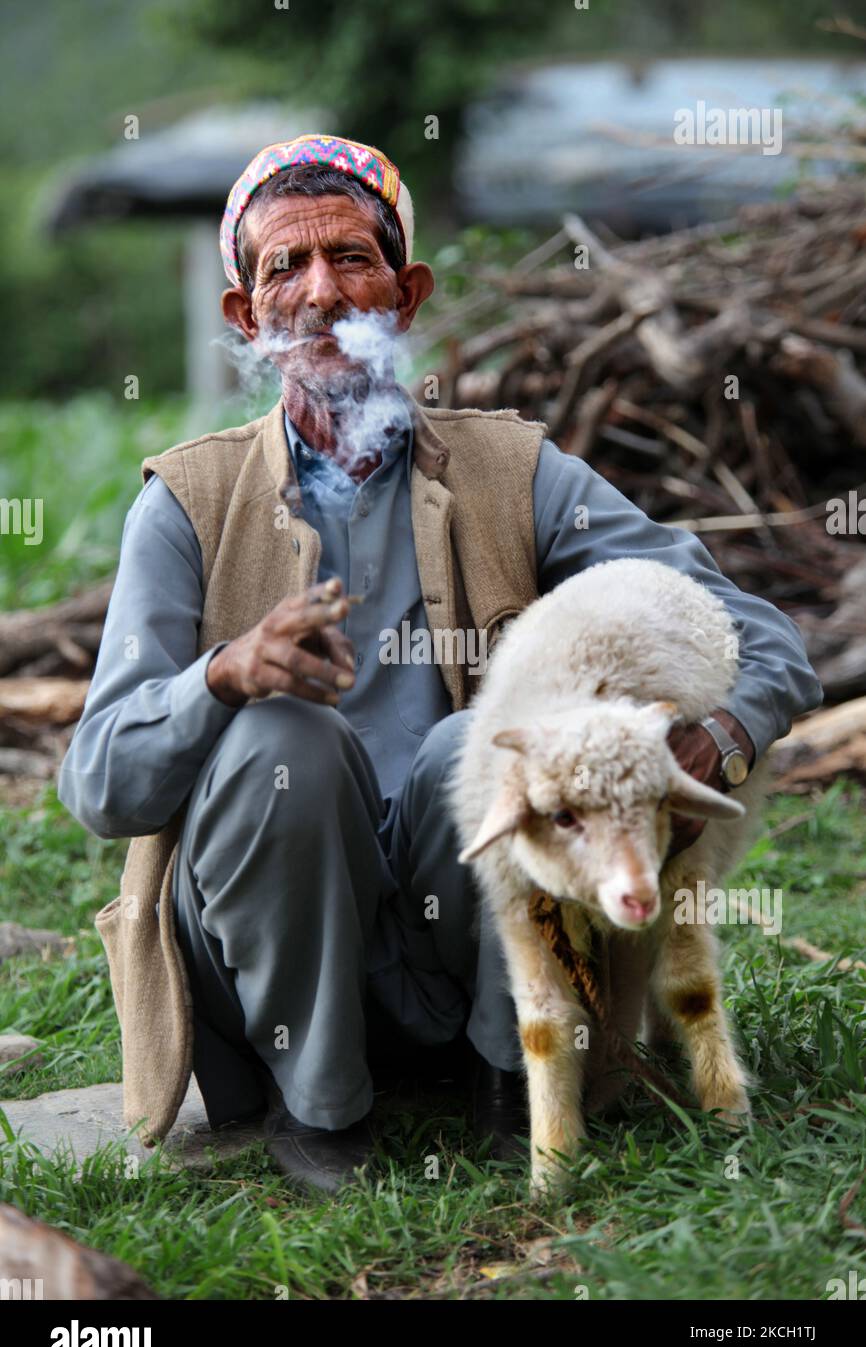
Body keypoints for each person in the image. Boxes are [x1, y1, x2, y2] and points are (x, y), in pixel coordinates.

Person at [57, 133, 823, 1195]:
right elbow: (99, 783)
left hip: (464, 936)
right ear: (246, 317)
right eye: (286, 267)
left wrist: (720, 732)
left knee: (474, 747)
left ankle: (507, 1075)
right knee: (288, 739)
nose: (321, 292)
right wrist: (224, 675)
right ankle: (316, 1110)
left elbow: (751, 627)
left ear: (405, 293)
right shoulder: (185, 502)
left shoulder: (514, 471)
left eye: (352, 259)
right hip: (261, 969)